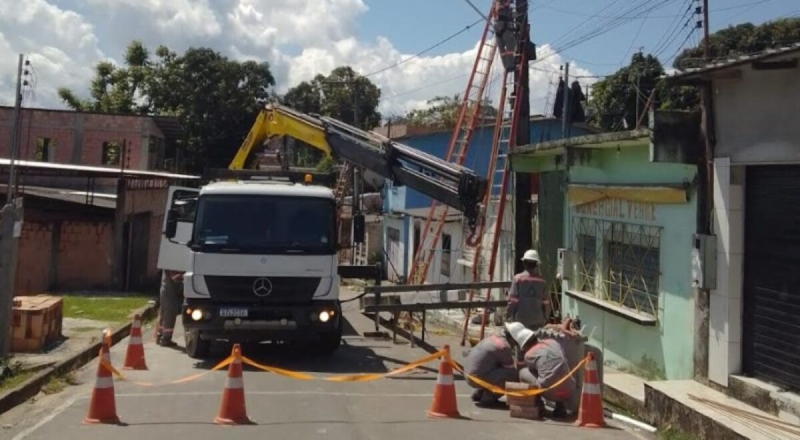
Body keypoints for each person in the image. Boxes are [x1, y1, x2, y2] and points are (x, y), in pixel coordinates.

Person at [506, 319, 576, 418]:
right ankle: (560, 406)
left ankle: (538, 403)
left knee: (523, 372)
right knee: (556, 370)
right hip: (569, 388)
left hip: (550, 393)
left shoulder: (529, 355)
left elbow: (530, 371)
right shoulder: (552, 342)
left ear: (523, 345)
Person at [464, 325, 520, 407]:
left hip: (469, 374)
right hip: (476, 378)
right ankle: (489, 397)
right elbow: (511, 368)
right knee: (513, 374)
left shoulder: (494, 338)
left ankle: (480, 393)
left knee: (497, 368)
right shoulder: (504, 346)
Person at [505, 249, 550, 331]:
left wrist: (508, 314)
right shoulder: (542, 281)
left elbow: (513, 300)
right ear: (536, 264)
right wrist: (546, 317)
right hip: (538, 320)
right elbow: (546, 302)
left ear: (524, 263)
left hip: (520, 321)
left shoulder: (517, 279)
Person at [156, 270, 184, 347]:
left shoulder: (167, 261)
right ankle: (166, 339)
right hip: (170, 293)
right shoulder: (171, 265)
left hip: (166, 290)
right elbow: (175, 278)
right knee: (169, 316)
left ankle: (160, 336)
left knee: (163, 314)